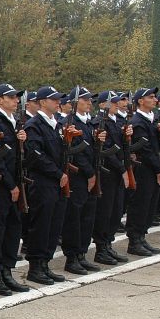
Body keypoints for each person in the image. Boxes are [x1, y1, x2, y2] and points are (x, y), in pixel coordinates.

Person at [0, 83, 30, 295]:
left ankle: (7, 271)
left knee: (13, 229)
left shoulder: (15, 122)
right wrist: (10, 184)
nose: (15, 100)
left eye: (16, 97)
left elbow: (19, 157)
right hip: (2, 185)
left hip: (15, 183)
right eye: (10, 97)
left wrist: (23, 142)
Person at [24, 86, 68, 284]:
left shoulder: (56, 124)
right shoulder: (34, 125)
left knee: (54, 224)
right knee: (41, 225)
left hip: (57, 182)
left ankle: (46, 263)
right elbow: (35, 155)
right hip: (43, 182)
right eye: (53, 99)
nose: (58, 102)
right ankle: (35, 266)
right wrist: (58, 173)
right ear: (42, 102)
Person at [61, 86, 104, 275]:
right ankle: (72, 258)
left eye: (90, 100)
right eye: (85, 100)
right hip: (79, 177)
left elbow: (92, 151)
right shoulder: (70, 123)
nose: (89, 103)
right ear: (74, 103)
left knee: (88, 217)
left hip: (91, 176)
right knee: (75, 219)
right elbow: (76, 153)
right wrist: (89, 173)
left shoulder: (89, 123)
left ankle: (81, 254)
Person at [92, 91, 132, 264]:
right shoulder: (100, 122)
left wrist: (126, 137)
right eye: (113, 103)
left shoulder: (116, 122)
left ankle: (108, 244)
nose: (117, 105)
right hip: (107, 172)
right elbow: (108, 151)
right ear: (102, 105)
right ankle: (101, 249)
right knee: (105, 212)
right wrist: (122, 169)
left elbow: (121, 148)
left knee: (116, 211)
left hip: (116, 173)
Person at [126, 88, 160, 256]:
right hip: (144, 168)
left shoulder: (151, 119)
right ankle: (134, 241)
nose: (154, 99)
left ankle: (141, 237)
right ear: (140, 101)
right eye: (151, 97)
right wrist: (158, 169)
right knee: (140, 204)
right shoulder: (138, 121)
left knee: (149, 205)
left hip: (153, 167)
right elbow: (146, 149)